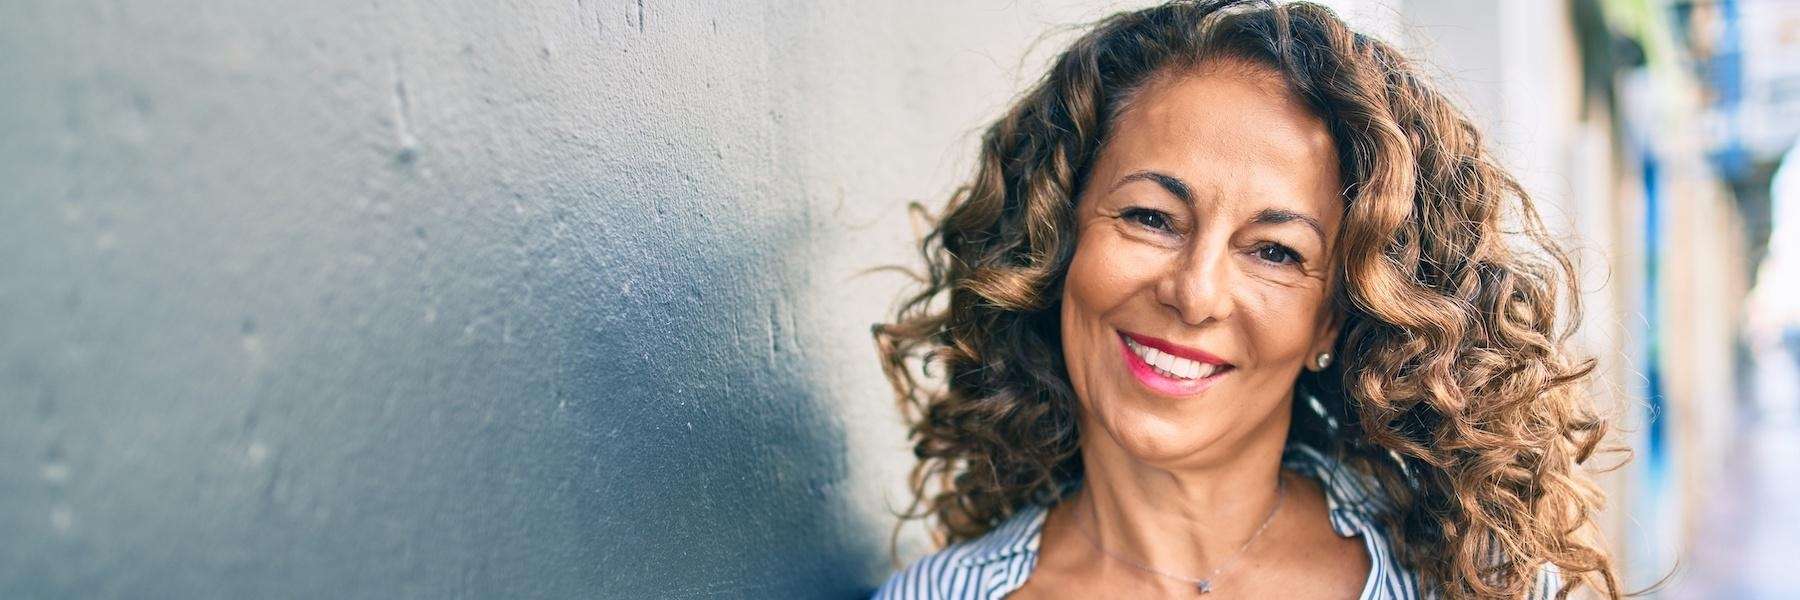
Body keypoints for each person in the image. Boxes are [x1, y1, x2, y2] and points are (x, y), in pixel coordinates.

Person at [870, 1, 1620, 598]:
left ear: (1334, 316)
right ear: (1057, 238)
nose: (1195, 293)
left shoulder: (1472, 582)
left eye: (1275, 252)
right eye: (1150, 217)